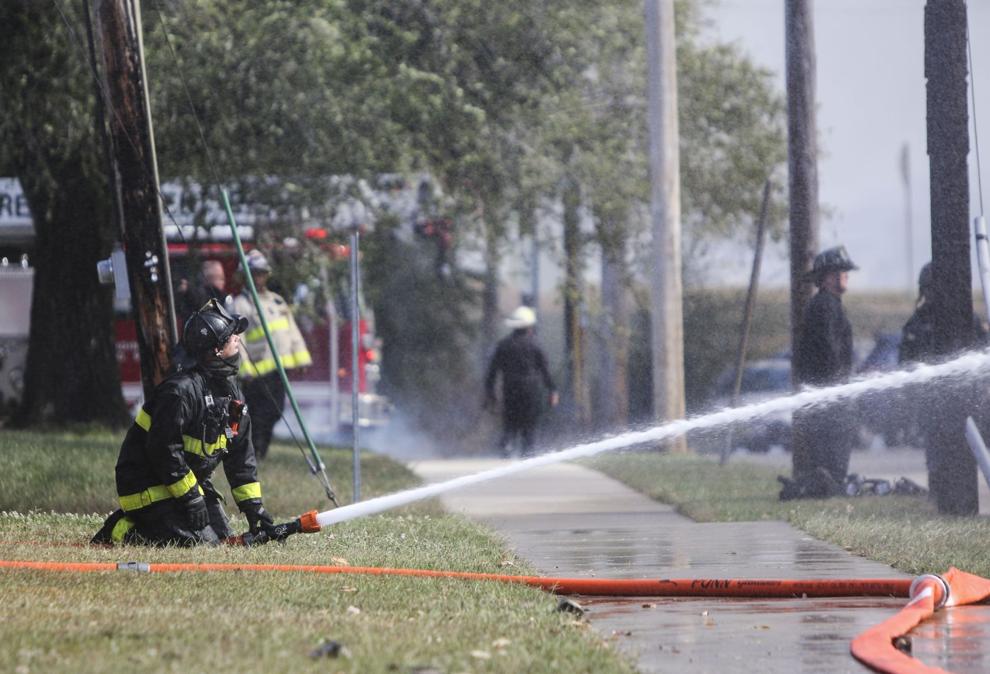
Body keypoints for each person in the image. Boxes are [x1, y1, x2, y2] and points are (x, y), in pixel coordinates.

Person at [91, 299, 276, 546]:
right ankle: (122, 528)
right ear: (216, 349)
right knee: (194, 545)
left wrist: (254, 508)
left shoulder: (232, 395)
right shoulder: (180, 392)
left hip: (187, 485)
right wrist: (191, 499)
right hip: (148, 485)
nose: (238, 341)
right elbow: (164, 451)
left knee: (220, 541)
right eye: (233, 338)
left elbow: (240, 456)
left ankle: (170, 521)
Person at [784, 245, 859, 499]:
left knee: (833, 451)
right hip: (829, 395)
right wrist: (838, 387)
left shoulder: (830, 305)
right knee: (832, 450)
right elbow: (829, 350)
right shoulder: (825, 306)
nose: (843, 276)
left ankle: (826, 486)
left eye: (845, 272)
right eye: (837, 272)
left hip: (829, 393)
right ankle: (825, 488)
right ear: (824, 278)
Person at [231, 250, 312, 460]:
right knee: (260, 413)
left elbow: (291, 331)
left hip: (279, 370)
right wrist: (245, 370)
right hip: (257, 372)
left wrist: (301, 359)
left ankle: (259, 450)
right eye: (254, 273)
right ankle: (255, 451)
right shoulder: (241, 304)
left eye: (261, 273)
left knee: (275, 412)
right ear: (245, 276)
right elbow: (238, 341)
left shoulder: (277, 301)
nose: (258, 277)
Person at [484, 306, 559, 457]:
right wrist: (553, 390)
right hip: (531, 391)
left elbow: (492, 373)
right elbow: (545, 371)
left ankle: (507, 446)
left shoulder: (503, 345)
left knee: (510, 423)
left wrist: (490, 393)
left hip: (510, 390)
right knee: (529, 424)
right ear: (529, 326)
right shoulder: (535, 345)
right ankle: (527, 452)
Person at [176, 259, 228, 326]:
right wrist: (189, 289)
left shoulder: (222, 298)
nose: (223, 282)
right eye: (220, 278)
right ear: (209, 278)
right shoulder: (208, 297)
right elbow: (202, 300)